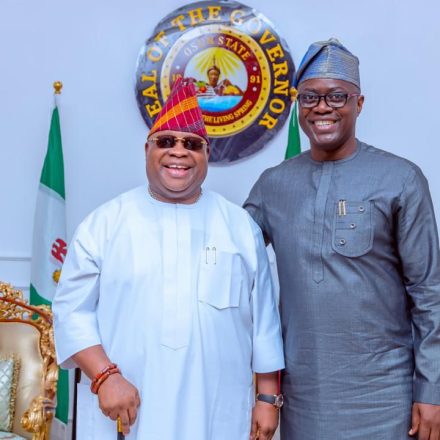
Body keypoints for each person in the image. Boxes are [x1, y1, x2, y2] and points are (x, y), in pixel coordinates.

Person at [53, 77, 284, 440]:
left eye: (191, 144)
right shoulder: (105, 224)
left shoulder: (239, 226)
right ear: (147, 149)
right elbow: (71, 312)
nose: (179, 152)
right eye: (166, 142)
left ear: (207, 154)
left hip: (216, 412)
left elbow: (264, 322)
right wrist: (104, 376)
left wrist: (268, 399)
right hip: (125, 412)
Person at [244, 38, 440, 440]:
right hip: (304, 397)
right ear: (299, 104)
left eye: (337, 96)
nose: (323, 107)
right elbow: (228, 261)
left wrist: (431, 389)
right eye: (310, 97)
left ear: (359, 103)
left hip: (387, 396)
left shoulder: (401, 178)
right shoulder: (273, 185)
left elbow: (429, 293)